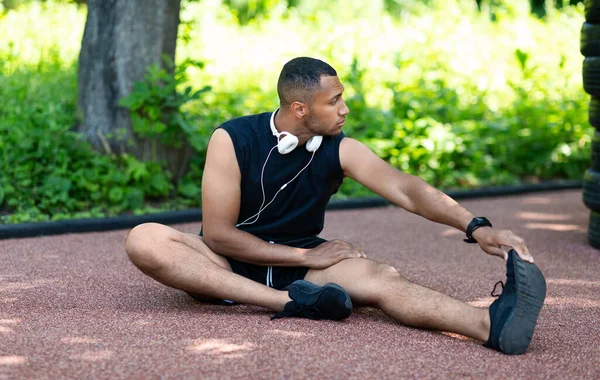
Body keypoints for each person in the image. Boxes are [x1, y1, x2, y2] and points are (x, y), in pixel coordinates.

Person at [125, 57, 546, 355]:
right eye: (335, 101)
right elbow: (218, 235)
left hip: (307, 268)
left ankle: (489, 325)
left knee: (382, 278)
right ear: (299, 108)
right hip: (224, 263)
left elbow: (407, 189)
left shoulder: (340, 149)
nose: (345, 109)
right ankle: (290, 303)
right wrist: (306, 255)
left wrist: (475, 225)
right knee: (145, 239)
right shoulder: (232, 139)